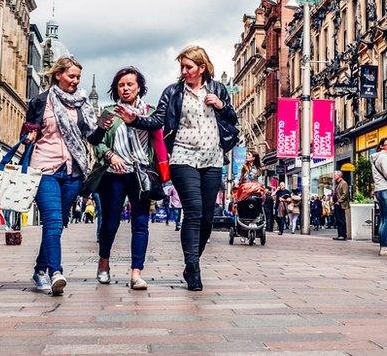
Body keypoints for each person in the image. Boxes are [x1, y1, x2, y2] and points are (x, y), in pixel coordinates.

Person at [116, 46, 238, 292]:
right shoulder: (173, 92)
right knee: (192, 211)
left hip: (213, 158)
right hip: (182, 157)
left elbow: (232, 119)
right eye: (181, 67)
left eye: (188, 67)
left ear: (202, 68)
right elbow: (158, 120)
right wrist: (134, 120)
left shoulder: (218, 89)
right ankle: (192, 266)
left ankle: (193, 259)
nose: (183, 71)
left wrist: (221, 105)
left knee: (206, 217)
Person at [22, 56, 98, 296]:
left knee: (59, 224)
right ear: (58, 75)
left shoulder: (82, 105)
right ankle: (56, 272)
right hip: (45, 168)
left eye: (78, 77)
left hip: (73, 172)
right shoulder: (41, 102)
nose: (75, 81)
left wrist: (103, 127)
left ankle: (39, 269)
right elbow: (27, 131)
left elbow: (92, 138)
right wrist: (29, 136)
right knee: (53, 222)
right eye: (71, 76)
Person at [87, 67, 159, 291]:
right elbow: (95, 141)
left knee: (140, 224)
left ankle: (136, 273)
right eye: (121, 85)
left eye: (130, 84)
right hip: (113, 175)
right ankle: (104, 262)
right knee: (110, 222)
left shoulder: (150, 111)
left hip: (140, 175)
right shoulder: (109, 112)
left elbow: (158, 138)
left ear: (139, 87)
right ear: (115, 88)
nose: (126, 88)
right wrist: (110, 155)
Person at [332, 171, 350, 240]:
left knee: (341, 220)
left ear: (339, 176)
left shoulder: (343, 183)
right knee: (338, 220)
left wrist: (338, 201)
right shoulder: (338, 183)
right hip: (337, 204)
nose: (334, 176)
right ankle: (340, 234)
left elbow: (345, 194)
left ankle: (343, 235)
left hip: (340, 204)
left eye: (335, 175)